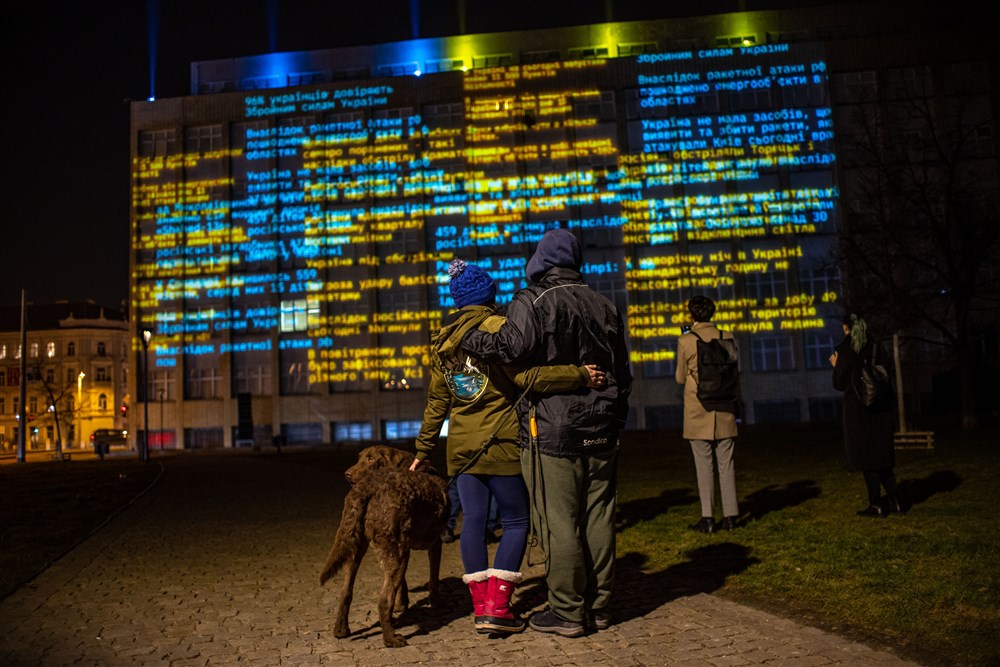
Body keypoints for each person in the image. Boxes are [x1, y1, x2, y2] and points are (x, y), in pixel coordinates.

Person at [411, 258, 604, 634]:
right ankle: (498, 608)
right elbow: (527, 377)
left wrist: (422, 451)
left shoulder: (443, 340)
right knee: (516, 521)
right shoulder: (498, 329)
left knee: (473, 522)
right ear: (488, 295)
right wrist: (579, 374)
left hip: (462, 449)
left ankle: (482, 606)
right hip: (500, 444)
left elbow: (437, 402)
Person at [460, 228, 632, 638]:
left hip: (553, 431)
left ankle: (568, 612)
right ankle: (601, 606)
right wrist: (615, 419)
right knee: (599, 519)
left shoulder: (532, 300)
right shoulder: (604, 304)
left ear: (541, 260)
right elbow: (622, 374)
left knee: (559, 522)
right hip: (603, 430)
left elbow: (509, 348)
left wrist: (467, 336)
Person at [674, 295, 741, 534]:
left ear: (692, 314)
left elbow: (680, 378)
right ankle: (731, 516)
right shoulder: (728, 337)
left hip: (698, 408)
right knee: (727, 463)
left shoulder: (686, 340)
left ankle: (708, 517)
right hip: (724, 406)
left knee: (704, 465)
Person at [830, 313, 904, 517]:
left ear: (846, 328)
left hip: (859, 411)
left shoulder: (846, 350)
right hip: (880, 409)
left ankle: (876, 504)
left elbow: (839, 383)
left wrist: (836, 365)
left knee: (867, 459)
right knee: (881, 458)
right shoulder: (876, 346)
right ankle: (896, 501)